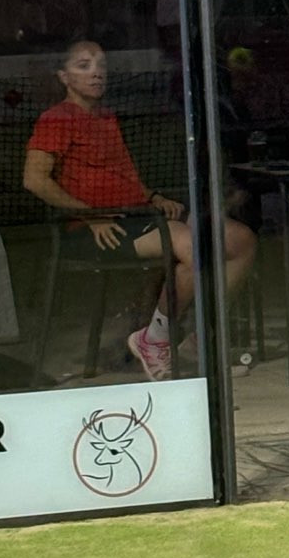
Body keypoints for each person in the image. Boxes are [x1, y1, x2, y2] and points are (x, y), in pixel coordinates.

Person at [23, 37, 256, 381]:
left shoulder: (106, 117)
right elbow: (34, 180)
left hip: (140, 215)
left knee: (240, 240)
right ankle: (155, 340)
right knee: (196, 247)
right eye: (84, 66)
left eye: (101, 65)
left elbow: (120, 178)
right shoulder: (56, 119)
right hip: (97, 229)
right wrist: (90, 215)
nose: (97, 73)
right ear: (63, 76)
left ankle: (199, 339)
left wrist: (154, 197)